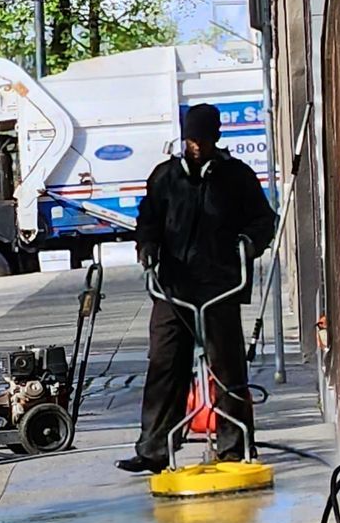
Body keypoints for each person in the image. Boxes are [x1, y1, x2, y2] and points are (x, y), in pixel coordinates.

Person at [118, 103, 276, 475]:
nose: (196, 147)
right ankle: (154, 448)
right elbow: (149, 221)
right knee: (164, 363)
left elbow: (263, 220)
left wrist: (248, 243)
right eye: (191, 140)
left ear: (216, 138)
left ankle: (234, 447)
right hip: (173, 288)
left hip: (218, 285)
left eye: (203, 140)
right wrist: (147, 246)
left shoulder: (236, 176)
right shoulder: (165, 178)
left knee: (226, 365)